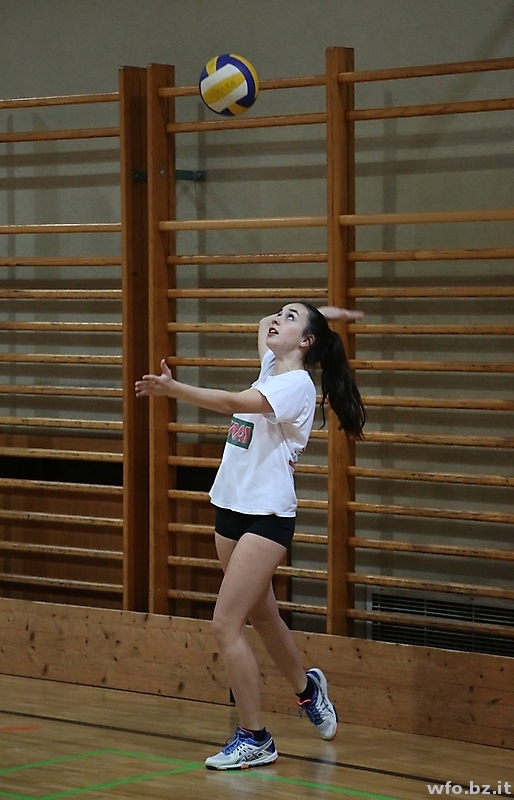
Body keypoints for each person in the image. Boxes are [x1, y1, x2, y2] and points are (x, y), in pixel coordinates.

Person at [135, 301, 365, 771]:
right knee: (263, 616)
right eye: (281, 313)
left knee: (226, 623)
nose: (276, 320)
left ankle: (255, 737)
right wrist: (319, 313)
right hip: (230, 508)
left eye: (290, 318)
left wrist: (172, 388)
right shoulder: (271, 366)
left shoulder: (297, 385)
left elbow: (230, 403)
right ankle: (308, 690)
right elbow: (264, 324)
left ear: (306, 343)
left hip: (267, 517)